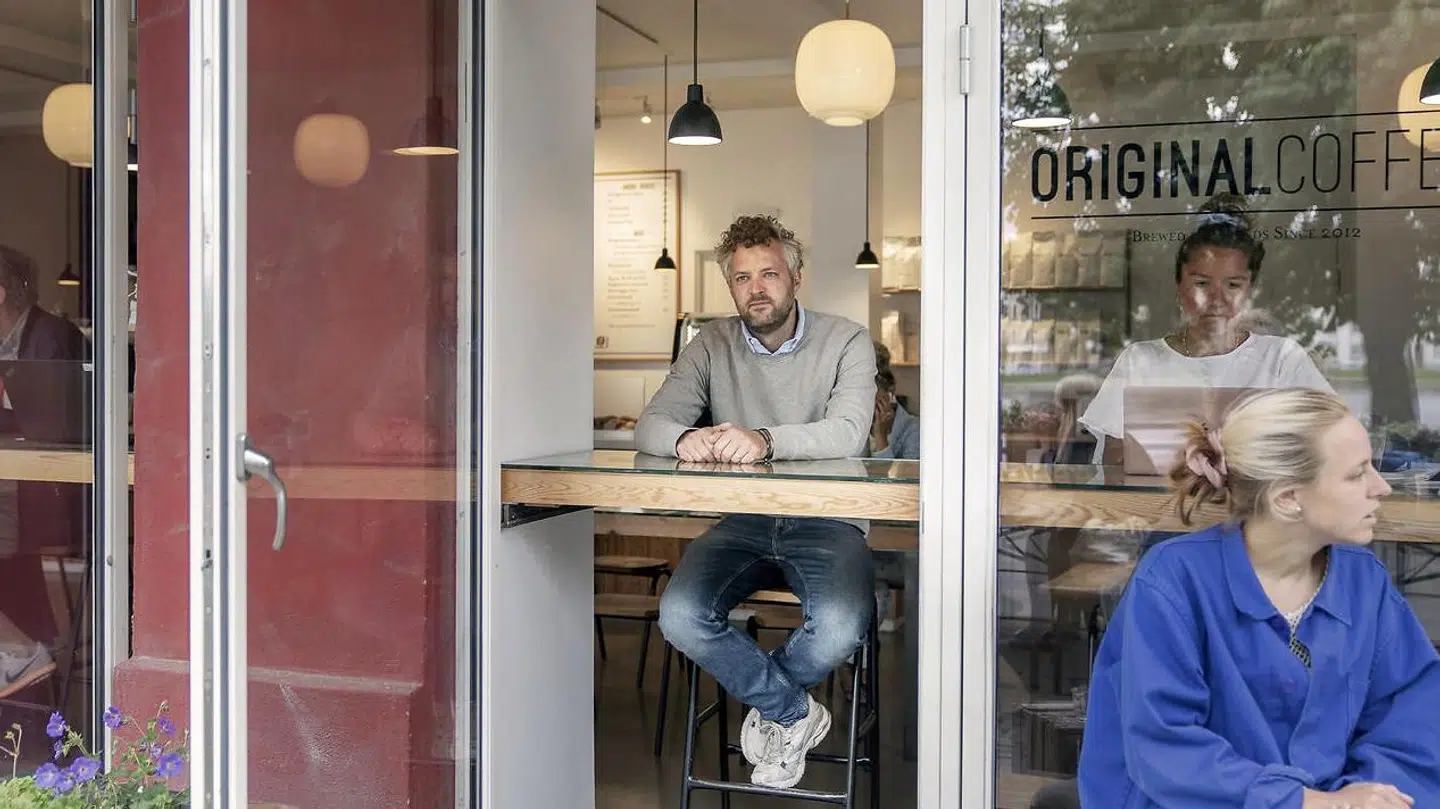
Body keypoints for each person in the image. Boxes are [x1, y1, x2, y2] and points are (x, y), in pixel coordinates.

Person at [1079, 387, 1440, 809]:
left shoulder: (1365, 584)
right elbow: (1165, 750)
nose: (1381, 487)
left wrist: (1369, 795)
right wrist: (1308, 802)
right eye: (1357, 474)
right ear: (1288, 499)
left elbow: (1413, 721)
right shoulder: (1173, 583)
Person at [637, 214, 877, 790]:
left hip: (828, 522)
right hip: (744, 521)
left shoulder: (847, 339)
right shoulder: (711, 344)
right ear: (730, 287)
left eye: (769, 273)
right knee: (680, 614)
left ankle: (766, 706)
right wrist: (681, 438)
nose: (757, 288)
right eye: (742, 278)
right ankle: (792, 713)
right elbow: (652, 422)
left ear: (796, 276)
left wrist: (763, 439)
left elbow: (848, 432)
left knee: (843, 624)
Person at [1079, 194, 1333, 464]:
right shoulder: (1139, 361)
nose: (1216, 299)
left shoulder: (1282, 359)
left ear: (1250, 292)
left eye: (1233, 285)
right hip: (1154, 507)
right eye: (1202, 284)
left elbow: (1328, 446)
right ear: (1179, 288)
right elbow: (1113, 464)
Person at [0, 245, 87, 699]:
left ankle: (16, 648)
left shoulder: (52, 338)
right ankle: (15, 646)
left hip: (53, 493)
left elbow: (59, 426)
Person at [870, 367, 919, 459]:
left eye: (871, 395)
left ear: (890, 393)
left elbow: (887, 472)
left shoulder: (913, 430)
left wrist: (881, 436)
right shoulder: (856, 424)